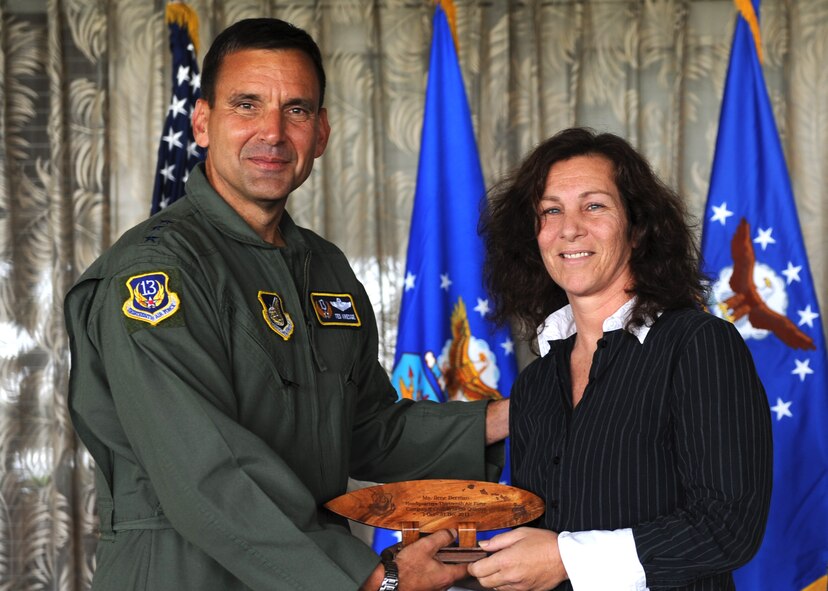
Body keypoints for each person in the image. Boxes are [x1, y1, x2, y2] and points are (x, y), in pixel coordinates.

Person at [64, 18, 508, 591]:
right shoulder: (157, 272)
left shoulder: (324, 268)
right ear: (202, 122)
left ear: (320, 133)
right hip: (186, 573)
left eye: (296, 110)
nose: (272, 132)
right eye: (246, 105)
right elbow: (207, 472)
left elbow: (365, 431)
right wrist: (376, 579)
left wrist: (510, 418)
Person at [467, 127, 772, 591]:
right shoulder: (534, 383)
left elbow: (727, 528)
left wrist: (568, 559)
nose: (570, 228)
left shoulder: (699, 345)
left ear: (638, 229)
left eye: (594, 205)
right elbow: (539, 547)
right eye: (551, 210)